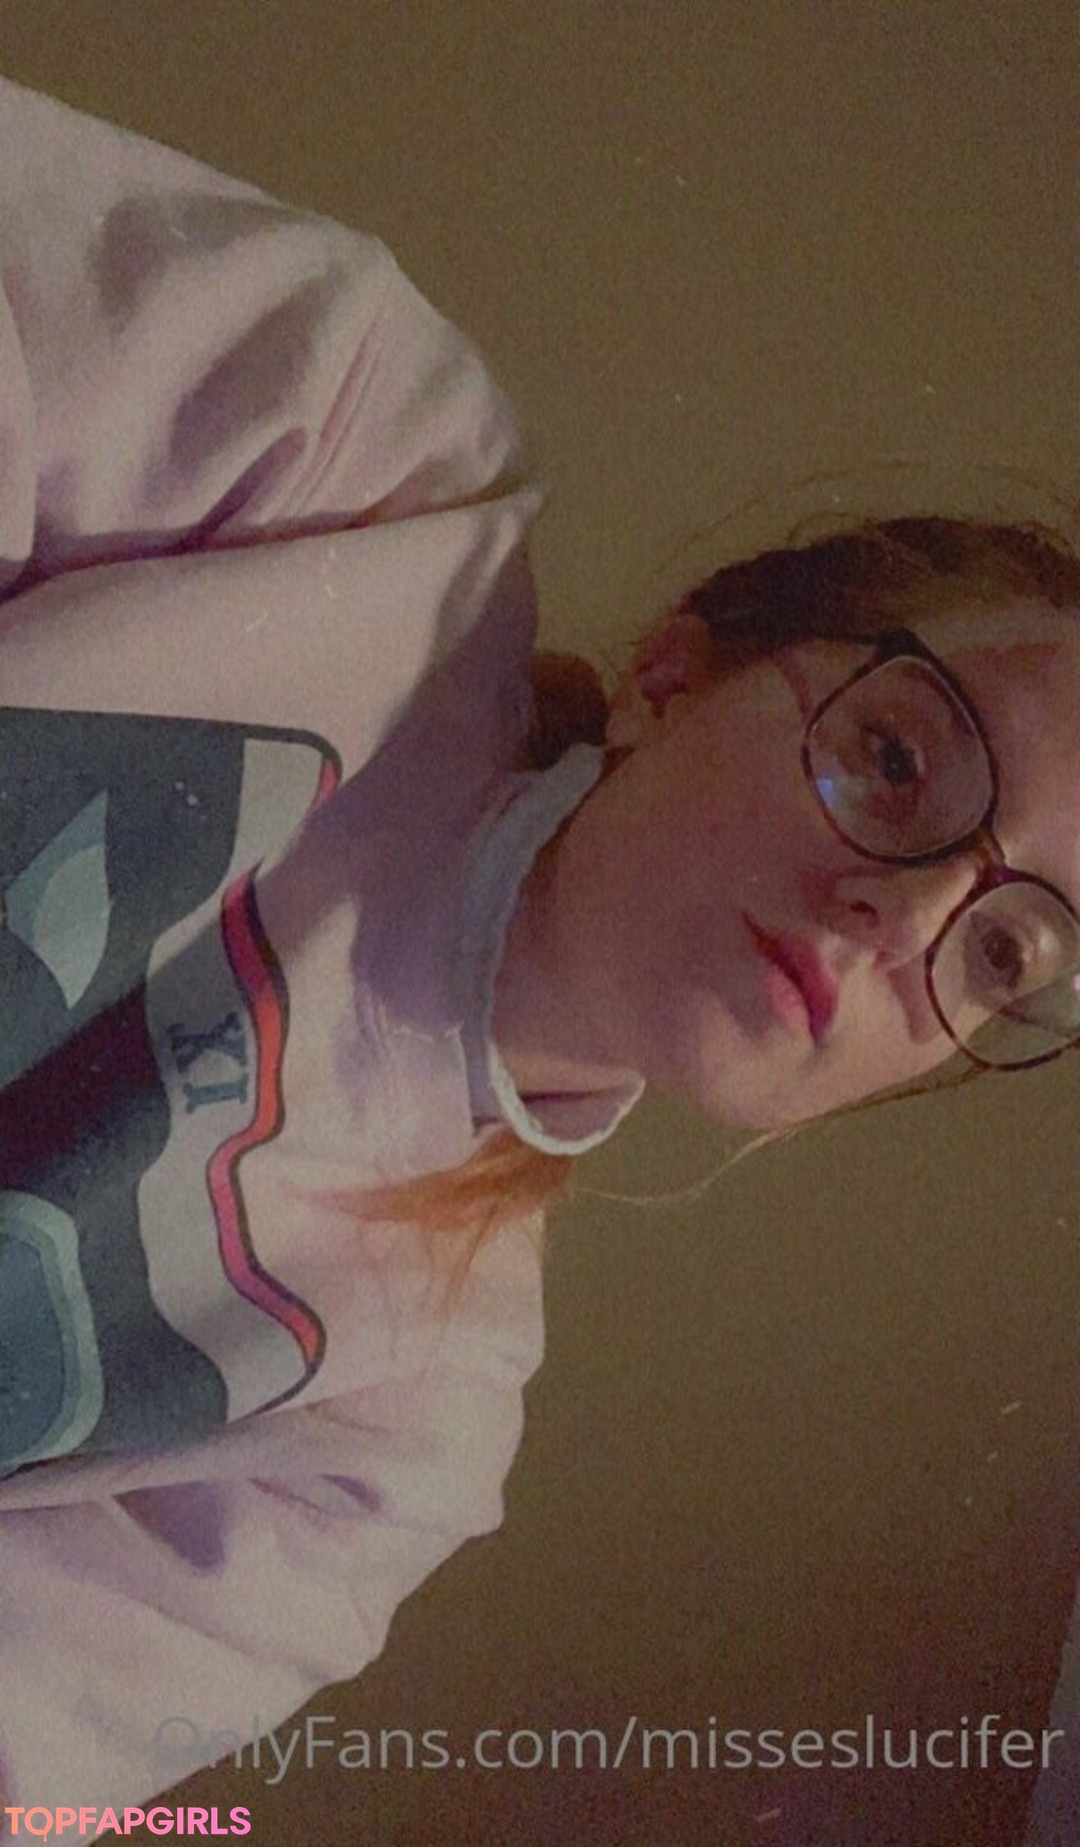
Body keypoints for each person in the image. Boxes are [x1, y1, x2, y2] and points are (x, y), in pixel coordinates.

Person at [1, 72, 1079, 1821]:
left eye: (1008, 956)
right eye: (900, 760)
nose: (906, 918)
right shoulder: (357, 459)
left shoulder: (387, 1451)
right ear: (679, 667)